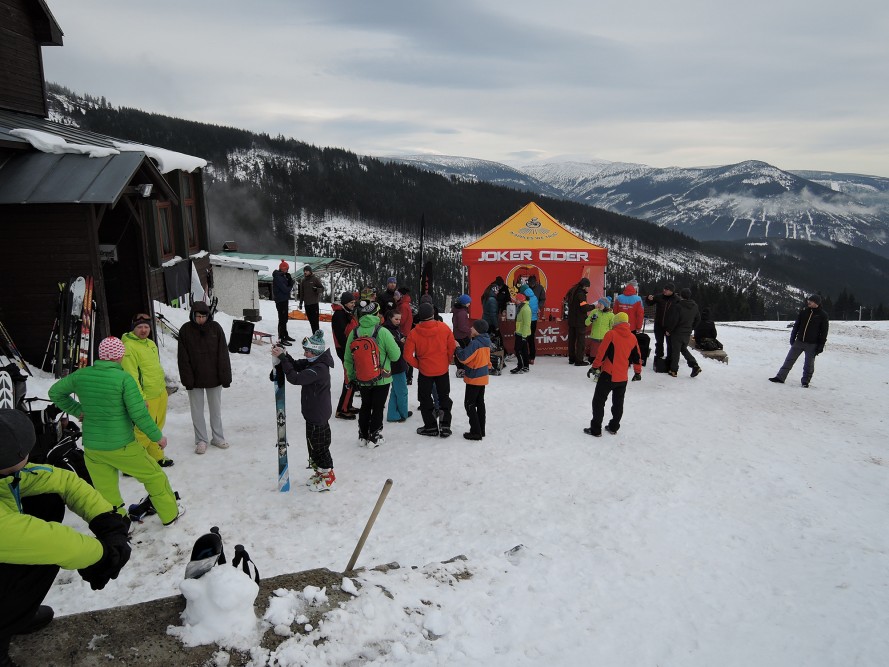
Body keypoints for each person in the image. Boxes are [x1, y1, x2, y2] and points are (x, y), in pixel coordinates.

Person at [1, 409, 132, 667]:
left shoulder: (5, 473)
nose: (29, 454)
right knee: (48, 549)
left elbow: (62, 480)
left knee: (45, 500)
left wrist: (107, 521)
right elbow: (48, 541)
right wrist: (103, 556)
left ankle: (17, 613)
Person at [48, 337, 180, 525]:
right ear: (120, 356)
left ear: (101, 355)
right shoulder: (124, 378)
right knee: (154, 476)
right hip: (122, 445)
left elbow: (54, 392)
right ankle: (170, 514)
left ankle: (120, 525)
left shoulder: (81, 375)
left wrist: (78, 410)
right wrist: (157, 437)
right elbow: (139, 414)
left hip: (93, 448)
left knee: (106, 490)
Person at [271, 330, 336, 491]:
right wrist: (285, 355)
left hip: (317, 415)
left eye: (307, 351)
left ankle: (328, 477)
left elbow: (295, 378)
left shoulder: (319, 368)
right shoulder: (313, 362)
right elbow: (296, 365)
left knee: (320, 447)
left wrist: (283, 359)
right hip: (313, 413)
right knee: (313, 446)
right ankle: (320, 472)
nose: (305, 354)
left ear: (315, 352)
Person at [177, 301, 233, 453]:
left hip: (214, 377)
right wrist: (187, 379)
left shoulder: (215, 328)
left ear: (208, 316)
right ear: (192, 316)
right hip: (194, 378)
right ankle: (201, 440)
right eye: (198, 316)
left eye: (203, 316)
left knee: (215, 410)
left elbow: (223, 354)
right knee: (197, 411)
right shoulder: (185, 330)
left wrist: (225, 376)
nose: (200, 319)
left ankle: (218, 437)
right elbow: (183, 358)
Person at [344, 300, 401, 447]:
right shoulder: (382, 332)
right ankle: (374, 436)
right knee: (378, 406)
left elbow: (348, 359)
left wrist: (351, 377)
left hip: (362, 377)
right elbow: (395, 356)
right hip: (382, 378)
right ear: (376, 314)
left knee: (365, 405)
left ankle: (362, 436)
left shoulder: (354, 332)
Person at [121, 314, 174, 468]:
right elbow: (131, 376)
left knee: (157, 427)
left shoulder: (150, 344)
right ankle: (133, 464)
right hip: (146, 397)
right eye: (140, 327)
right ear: (133, 329)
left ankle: (156, 457)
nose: (143, 330)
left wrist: (163, 389)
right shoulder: (128, 347)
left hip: (159, 393)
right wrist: (140, 398)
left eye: (146, 327)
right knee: (142, 431)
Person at [584, 312, 642, 437]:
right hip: (622, 377)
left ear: (615, 322)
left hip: (608, 374)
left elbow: (601, 353)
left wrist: (594, 367)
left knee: (598, 401)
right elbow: (637, 356)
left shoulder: (611, 334)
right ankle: (613, 427)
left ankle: (596, 429)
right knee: (618, 403)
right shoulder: (632, 337)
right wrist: (637, 372)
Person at [404, 302, 457, 438]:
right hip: (442, 370)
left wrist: (419, 364)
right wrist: (447, 360)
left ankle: (431, 426)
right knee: (444, 397)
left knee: (425, 399)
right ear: (433, 314)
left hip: (425, 372)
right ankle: (445, 426)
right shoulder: (444, 328)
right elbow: (451, 347)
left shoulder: (414, 332)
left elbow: (407, 355)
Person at [769, 294, 829, 388]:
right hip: (799, 341)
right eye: (808, 300)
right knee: (789, 360)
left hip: (812, 344)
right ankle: (780, 377)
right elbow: (797, 325)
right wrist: (793, 337)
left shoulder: (823, 315)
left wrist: (821, 345)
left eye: (811, 301)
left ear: (816, 303)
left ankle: (805, 382)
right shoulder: (804, 312)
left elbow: (824, 332)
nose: (808, 302)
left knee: (809, 365)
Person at [455, 320, 492, 440]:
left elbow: (464, 358)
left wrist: (457, 348)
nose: (470, 329)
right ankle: (481, 429)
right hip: (483, 376)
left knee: (469, 404)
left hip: (474, 377)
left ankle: (476, 432)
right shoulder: (486, 341)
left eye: (473, 327)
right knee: (480, 403)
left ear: (478, 331)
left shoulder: (476, 343)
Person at [331, 291, 359, 419]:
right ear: (345, 303)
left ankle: (348, 404)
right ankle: (342, 409)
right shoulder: (339, 315)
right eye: (351, 302)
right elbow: (342, 336)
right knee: (349, 377)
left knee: (352, 376)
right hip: (345, 350)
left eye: (354, 302)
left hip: (348, 349)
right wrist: (351, 350)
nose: (354, 304)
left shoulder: (345, 313)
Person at [663, 288, 702, 378]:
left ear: (681, 296)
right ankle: (694, 365)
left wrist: (669, 330)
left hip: (677, 332)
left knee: (675, 351)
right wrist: (691, 328)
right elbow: (698, 319)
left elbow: (674, 320)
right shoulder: (695, 306)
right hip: (687, 332)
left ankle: (673, 370)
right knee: (683, 349)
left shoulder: (678, 306)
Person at [383, 309, 412, 423]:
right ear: (390, 318)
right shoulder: (387, 330)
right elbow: (393, 347)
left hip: (397, 363)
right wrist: (402, 342)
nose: (398, 321)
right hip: (396, 364)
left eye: (400, 319)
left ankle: (394, 414)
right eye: (396, 319)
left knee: (396, 390)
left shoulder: (393, 329)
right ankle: (402, 413)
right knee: (402, 390)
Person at [565, 277, 595, 365]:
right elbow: (584, 307)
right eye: (588, 287)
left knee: (572, 340)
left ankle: (571, 358)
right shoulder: (581, 295)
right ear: (584, 286)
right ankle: (579, 360)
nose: (588, 288)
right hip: (580, 321)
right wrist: (593, 306)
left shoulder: (572, 292)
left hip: (572, 320)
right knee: (580, 341)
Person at [646, 282, 679, 360]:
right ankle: (659, 356)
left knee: (670, 343)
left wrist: (672, 327)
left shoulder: (677, 299)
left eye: (667, 289)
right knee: (659, 342)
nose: (664, 290)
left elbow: (679, 313)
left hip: (669, 325)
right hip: (658, 323)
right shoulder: (659, 296)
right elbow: (650, 303)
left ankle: (670, 358)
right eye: (664, 289)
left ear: (671, 291)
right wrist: (648, 298)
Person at [271, 260, 296, 345]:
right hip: (280, 300)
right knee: (282, 319)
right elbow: (285, 289)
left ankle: (285, 335)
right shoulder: (278, 277)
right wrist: (291, 284)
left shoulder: (282, 276)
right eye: (287, 269)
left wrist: (288, 279)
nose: (287, 270)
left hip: (284, 299)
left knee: (284, 318)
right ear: (283, 268)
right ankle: (281, 338)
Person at [585, 298, 614, 363]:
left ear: (605, 305)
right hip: (595, 337)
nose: (598, 305)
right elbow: (586, 323)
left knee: (603, 356)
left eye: (600, 304)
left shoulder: (611, 315)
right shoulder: (594, 312)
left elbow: (611, 327)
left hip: (605, 338)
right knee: (593, 357)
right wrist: (591, 319)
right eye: (598, 303)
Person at [297, 265, 325, 335]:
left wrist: (316, 290)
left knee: (315, 321)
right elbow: (301, 293)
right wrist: (300, 303)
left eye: (306, 271)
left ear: (310, 271)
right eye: (304, 271)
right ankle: (314, 334)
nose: (305, 272)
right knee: (311, 321)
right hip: (307, 304)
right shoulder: (303, 281)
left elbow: (322, 289)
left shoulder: (315, 279)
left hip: (314, 304)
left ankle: (317, 336)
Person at [396, 288, 415, 385]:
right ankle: (408, 376)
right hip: (406, 332)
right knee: (406, 354)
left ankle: (408, 376)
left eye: (397, 295)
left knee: (405, 355)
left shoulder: (403, 306)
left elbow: (401, 321)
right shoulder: (405, 304)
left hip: (403, 333)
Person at [510, 292, 531, 374]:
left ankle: (521, 366)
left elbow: (526, 323)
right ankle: (525, 366)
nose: (516, 301)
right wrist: (517, 330)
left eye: (517, 300)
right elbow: (520, 321)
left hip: (522, 333)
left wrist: (524, 336)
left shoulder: (525, 309)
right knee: (524, 350)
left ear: (521, 300)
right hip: (520, 332)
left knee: (518, 350)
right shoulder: (521, 307)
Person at [518, 284, 539, 364]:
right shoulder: (535, 297)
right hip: (534, 320)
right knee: (531, 339)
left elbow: (524, 310)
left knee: (524, 338)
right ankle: (532, 357)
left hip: (527, 321)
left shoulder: (526, 299)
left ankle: (524, 356)